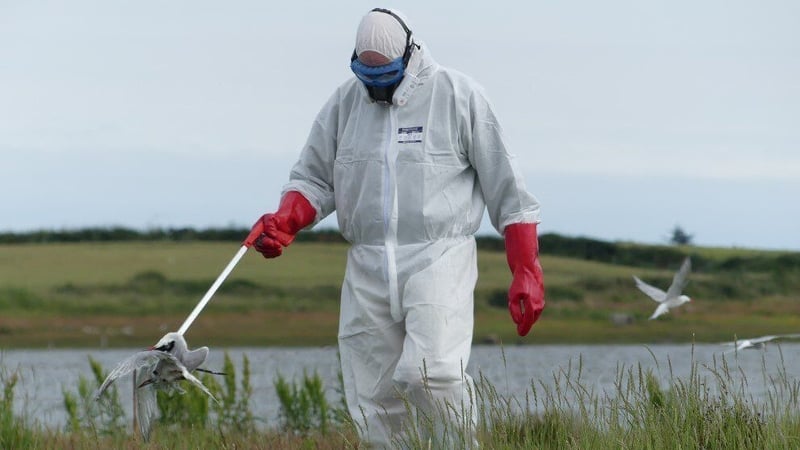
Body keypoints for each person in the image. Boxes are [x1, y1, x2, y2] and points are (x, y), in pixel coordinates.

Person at [248, 7, 545, 448]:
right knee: (372, 397)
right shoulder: (345, 103)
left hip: (438, 256)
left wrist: (526, 269)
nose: (377, 87)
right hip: (367, 264)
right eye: (367, 76)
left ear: (410, 56)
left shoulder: (458, 96)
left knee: (431, 374)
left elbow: (509, 190)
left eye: (386, 75)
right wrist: (286, 221)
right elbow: (313, 178)